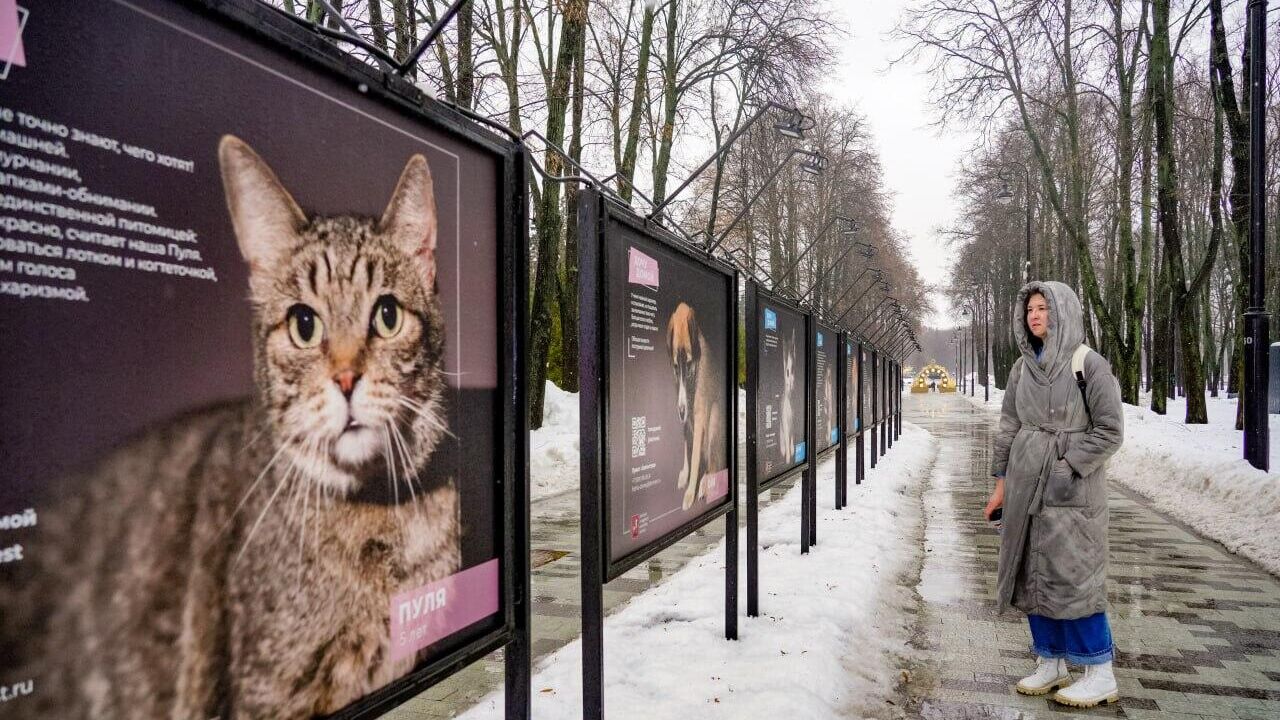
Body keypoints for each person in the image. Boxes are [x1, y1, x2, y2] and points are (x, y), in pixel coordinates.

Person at [984, 281, 1125, 708]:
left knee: (1074, 576)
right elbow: (1009, 425)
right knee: (1032, 572)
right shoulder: (1020, 368)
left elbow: (1110, 430)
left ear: (1062, 312)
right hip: (1026, 486)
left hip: (1072, 491)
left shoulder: (1090, 364)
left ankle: (1099, 671)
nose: (1035, 315)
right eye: (1030, 309)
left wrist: (1067, 465)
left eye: (1043, 308)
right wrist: (1001, 483)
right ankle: (1051, 660)